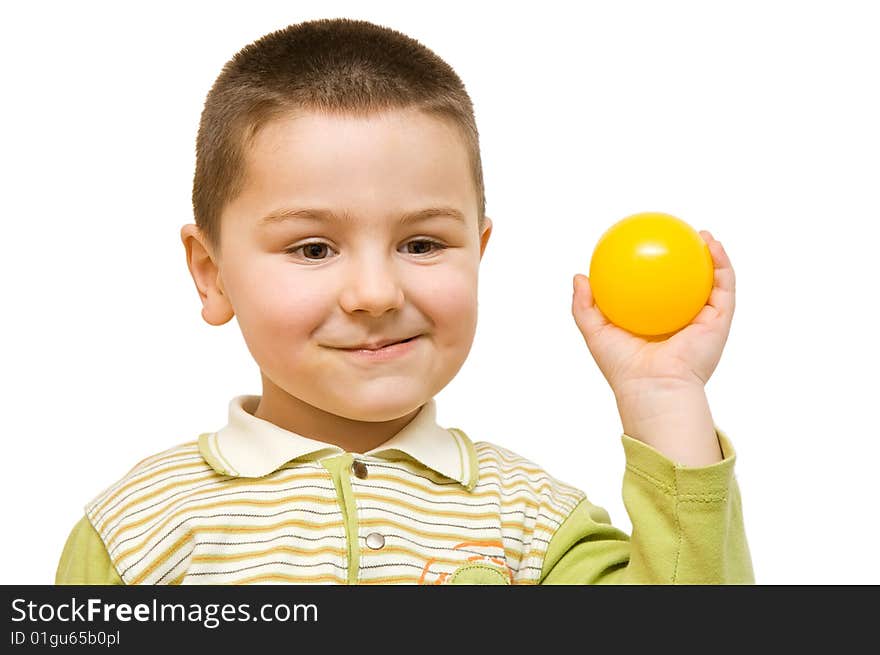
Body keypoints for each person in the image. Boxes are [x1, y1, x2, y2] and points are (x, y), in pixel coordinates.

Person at [55, 17, 753, 585]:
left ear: (478, 253)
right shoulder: (136, 532)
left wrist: (665, 397)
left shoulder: (535, 526)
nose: (375, 294)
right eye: (313, 248)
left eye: (421, 243)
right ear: (211, 274)